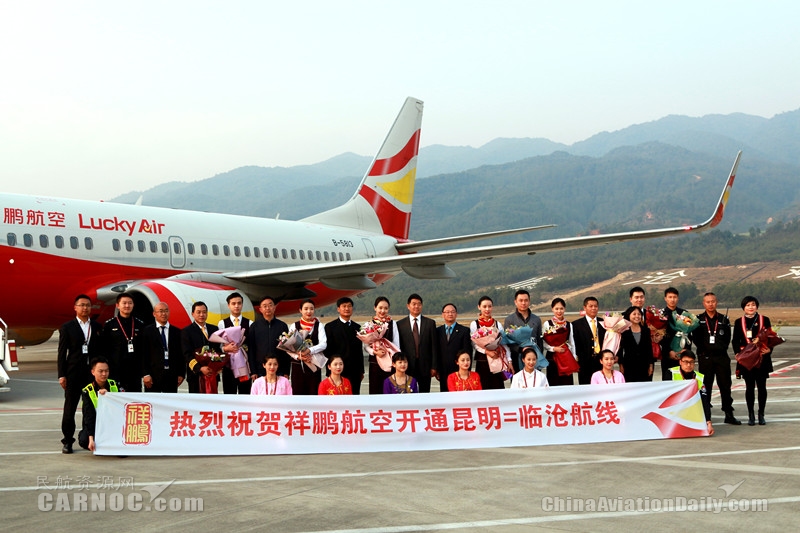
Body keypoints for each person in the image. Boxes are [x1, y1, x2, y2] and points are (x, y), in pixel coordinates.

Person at [58, 294, 103, 454]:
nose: (85, 308)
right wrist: (61, 375)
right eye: (82, 305)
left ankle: (87, 438)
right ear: (75, 308)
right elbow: (62, 353)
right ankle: (67, 441)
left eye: (88, 305)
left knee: (90, 408)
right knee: (69, 409)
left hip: (91, 375)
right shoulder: (67, 327)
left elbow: (100, 352)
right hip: (73, 374)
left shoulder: (97, 327)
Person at [691, 292, 740, 425]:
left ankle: (728, 413)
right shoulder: (698, 319)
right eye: (708, 302)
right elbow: (695, 338)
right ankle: (706, 416)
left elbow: (727, 338)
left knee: (725, 386)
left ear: (716, 302)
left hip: (721, 357)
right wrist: (704, 350)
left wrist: (718, 348)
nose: (710, 304)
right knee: (706, 387)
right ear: (703, 303)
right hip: (705, 358)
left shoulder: (724, 319)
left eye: (713, 301)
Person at [732, 296, 773, 426]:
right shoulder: (739, 322)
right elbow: (735, 340)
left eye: (753, 304)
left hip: (762, 358)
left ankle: (761, 414)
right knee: (749, 387)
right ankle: (751, 415)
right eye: (748, 305)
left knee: (762, 387)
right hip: (747, 359)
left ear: (757, 306)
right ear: (743, 307)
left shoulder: (764, 319)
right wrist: (737, 353)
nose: (751, 307)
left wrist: (769, 349)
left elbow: (771, 337)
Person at [396, 293, 440, 393]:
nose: (416, 306)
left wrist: (434, 366)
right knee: (407, 392)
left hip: (425, 366)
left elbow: (434, 346)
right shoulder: (400, 324)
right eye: (414, 304)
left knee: (425, 392)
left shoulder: (430, 323)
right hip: (407, 366)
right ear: (408, 306)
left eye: (419, 304)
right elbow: (399, 346)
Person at [102, 292, 145, 392]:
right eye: (124, 303)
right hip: (116, 371)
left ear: (133, 305)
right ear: (117, 305)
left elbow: (143, 349)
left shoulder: (140, 324)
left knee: (134, 401)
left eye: (130, 303)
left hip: (134, 372)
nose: (127, 306)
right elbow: (105, 349)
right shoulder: (110, 325)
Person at [78, 357, 119, 452]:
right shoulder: (87, 391)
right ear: (93, 372)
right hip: (97, 424)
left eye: (106, 371)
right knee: (84, 440)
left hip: (114, 423)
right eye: (100, 371)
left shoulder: (115, 385)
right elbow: (88, 416)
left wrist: (108, 395)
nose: (104, 374)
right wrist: (91, 438)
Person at [141, 302, 184, 393]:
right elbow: (143, 354)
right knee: (153, 403)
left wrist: (181, 374)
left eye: (166, 311)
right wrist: (145, 374)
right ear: (154, 314)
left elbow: (180, 355)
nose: (163, 314)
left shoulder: (177, 332)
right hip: (153, 376)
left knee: (170, 404)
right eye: (160, 311)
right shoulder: (147, 331)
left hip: (171, 375)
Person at [325, 297, 365, 394]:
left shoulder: (357, 327)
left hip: (354, 371)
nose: (347, 309)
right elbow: (327, 351)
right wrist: (330, 369)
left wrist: (361, 370)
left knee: (354, 397)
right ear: (338, 309)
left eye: (349, 306)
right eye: (344, 306)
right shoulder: (330, 327)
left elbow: (359, 351)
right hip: (337, 370)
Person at [670, 350, 714, 436]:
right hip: (674, 411)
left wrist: (708, 422)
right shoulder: (670, 373)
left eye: (691, 362)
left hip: (692, 411)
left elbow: (705, 401)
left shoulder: (699, 377)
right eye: (686, 362)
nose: (689, 365)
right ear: (680, 362)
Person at [182, 301, 223, 394]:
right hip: (195, 375)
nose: (202, 315)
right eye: (199, 312)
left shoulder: (214, 329)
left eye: (204, 312)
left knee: (212, 403)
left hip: (212, 373)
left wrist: (218, 366)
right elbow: (186, 354)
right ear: (193, 314)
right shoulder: (186, 331)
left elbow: (217, 350)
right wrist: (200, 368)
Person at [288, 299, 327, 395]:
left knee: (314, 392)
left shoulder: (319, 326)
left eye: (311, 309)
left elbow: (323, 344)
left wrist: (309, 350)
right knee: (298, 393)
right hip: (298, 366)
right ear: (300, 310)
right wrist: (299, 356)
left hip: (314, 364)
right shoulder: (294, 325)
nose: (309, 311)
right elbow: (288, 347)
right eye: (305, 309)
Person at [248, 296, 290, 380]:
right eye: (265, 306)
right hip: (260, 369)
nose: (268, 308)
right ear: (260, 309)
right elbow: (251, 350)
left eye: (270, 305)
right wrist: (253, 371)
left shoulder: (282, 326)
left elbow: (287, 350)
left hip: (278, 369)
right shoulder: (254, 326)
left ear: (274, 307)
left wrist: (286, 371)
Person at [218, 292, 252, 395]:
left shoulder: (250, 323)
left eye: (239, 303)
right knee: (229, 393)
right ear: (228, 305)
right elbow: (219, 345)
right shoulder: (222, 323)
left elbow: (252, 344)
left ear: (242, 304)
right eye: (233, 303)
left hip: (244, 365)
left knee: (245, 393)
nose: (236, 306)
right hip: (229, 366)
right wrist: (225, 349)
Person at [470, 296, 507, 390]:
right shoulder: (474, 324)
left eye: (489, 306)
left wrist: (508, 360)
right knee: (483, 388)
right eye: (484, 306)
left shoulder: (498, 324)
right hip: (482, 361)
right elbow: (474, 343)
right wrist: (487, 351)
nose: (487, 309)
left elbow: (503, 343)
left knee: (498, 388)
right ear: (479, 307)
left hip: (497, 360)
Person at [503, 289, 543, 373]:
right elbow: (508, 341)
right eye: (520, 300)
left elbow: (539, 340)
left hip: (533, 359)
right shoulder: (509, 320)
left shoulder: (536, 319)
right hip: (516, 358)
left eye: (526, 300)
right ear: (515, 302)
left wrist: (540, 358)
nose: (523, 303)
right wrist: (521, 349)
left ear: (529, 301)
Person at [368, 296, 400, 395]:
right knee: (375, 389)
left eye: (385, 308)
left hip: (390, 363)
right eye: (380, 308)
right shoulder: (369, 324)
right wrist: (374, 352)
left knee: (389, 390)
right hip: (375, 363)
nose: (383, 311)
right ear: (375, 308)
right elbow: (365, 345)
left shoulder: (392, 324)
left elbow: (396, 342)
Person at [436, 303, 472, 392]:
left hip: (459, 370)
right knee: (444, 395)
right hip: (443, 370)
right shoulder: (437, 331)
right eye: (447, 312)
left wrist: (467, 370)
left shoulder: (464, 331)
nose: (450, 314)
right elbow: (435, 351)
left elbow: (467, 351)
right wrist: (436, 369)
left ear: (456, 314)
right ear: (443, 314)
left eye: (452, 312)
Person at [541, 297, 576, 386]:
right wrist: (553, 348)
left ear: (564, 309)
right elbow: (544, 342)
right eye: (556, 309)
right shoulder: (547, 324)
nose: (559, 311)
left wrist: (573, 356)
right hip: (552, 357)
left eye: (561, 308)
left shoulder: (568, 324)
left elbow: (572, 341)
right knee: (553, 381)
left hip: (565, 355)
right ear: (552, 309)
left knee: (566, 382)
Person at [572, 296, 605, 385]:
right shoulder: (576, 324)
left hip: (601, 362)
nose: (593, 308)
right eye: (591, 306)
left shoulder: (604, 322)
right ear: (584, 307)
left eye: (595, 306)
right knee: (585, 387)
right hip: (584, 363)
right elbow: (574, 343)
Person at [618, 306, 654, 383]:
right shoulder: (624, 331)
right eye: (634, 314)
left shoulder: (646, 330)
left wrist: (651, 365)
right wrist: (621, 364)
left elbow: (649, 348)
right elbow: (620, 349)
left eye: (639, 314)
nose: (637, 316)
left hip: (644, 365)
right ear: (628, 315)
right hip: (629, 365)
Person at [660, 287, 686, 381]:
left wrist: (684, 350)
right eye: (670, 297)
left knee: (683, 381)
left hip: (682, 354)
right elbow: (659, 336)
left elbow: (688, 334)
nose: (672, 299)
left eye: (674, 297)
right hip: (667, 355)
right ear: (665, 298)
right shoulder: (660, 315)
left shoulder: (684, 313)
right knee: (668, 381)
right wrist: (669, 351)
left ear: (678, 298)